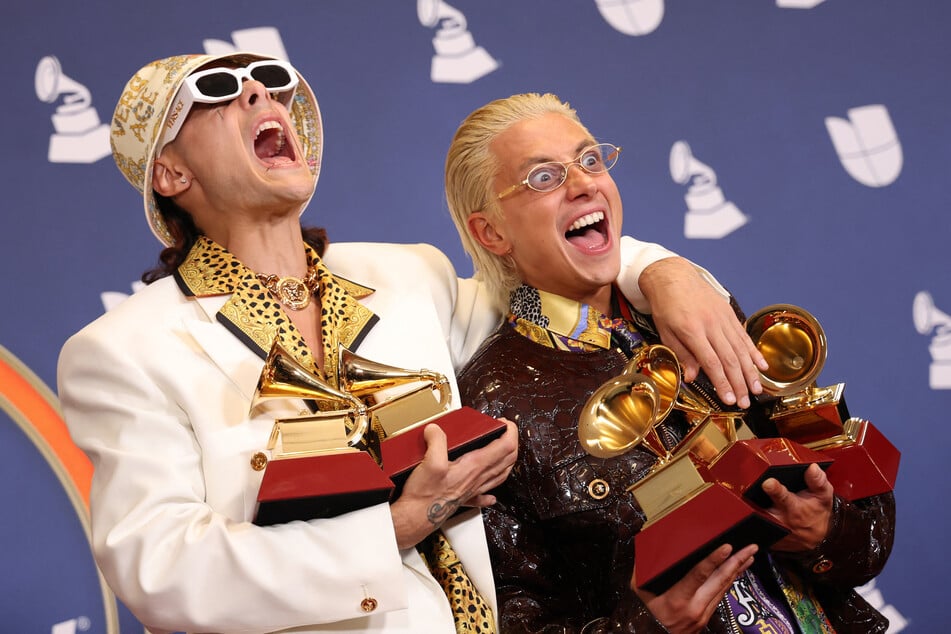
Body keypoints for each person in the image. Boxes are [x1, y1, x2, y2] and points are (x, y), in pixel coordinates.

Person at [58, 53, 763, 634]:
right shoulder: (124, 351)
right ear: (170, 174)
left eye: (271, 83)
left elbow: (547, 275)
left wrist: (661, 270)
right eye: (215, 92)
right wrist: (398, 525)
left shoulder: (407, 275)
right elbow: (162, 572)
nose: (256, 94)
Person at [447, 93, 897, 633]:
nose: (585, 183)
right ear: (491, 232)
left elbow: (864, 521)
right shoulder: (492, 401)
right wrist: (646, 626)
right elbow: (517, 616)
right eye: (544, 177)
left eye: (590, 160)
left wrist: (827, 530)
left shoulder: (701, 312)